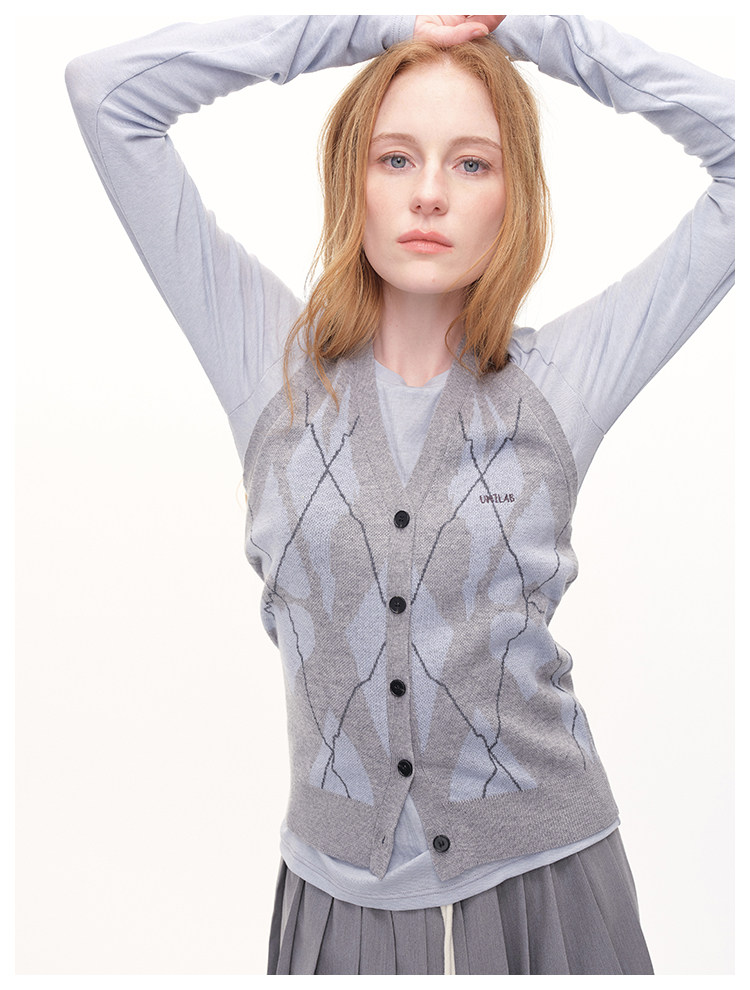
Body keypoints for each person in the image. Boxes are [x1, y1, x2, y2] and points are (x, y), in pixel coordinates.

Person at [65, 13, 734, 976]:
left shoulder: (562, 384)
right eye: (395, 158)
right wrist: (371, 28)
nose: (428, 193)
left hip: (552, 886)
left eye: (472, 163)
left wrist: (528, 32)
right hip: (337, 901)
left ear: (514, 195)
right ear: (354, 181)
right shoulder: (269, 366)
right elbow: (107, 97)